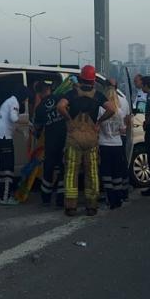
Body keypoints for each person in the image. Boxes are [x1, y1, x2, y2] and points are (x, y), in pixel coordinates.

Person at [57, 65, 115, 216]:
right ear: (94, 80)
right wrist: (99, 122)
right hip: (91, 138)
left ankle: (70, 206)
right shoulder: (99, 95)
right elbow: (112, 109)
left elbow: (61, 106)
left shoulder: (71, 93)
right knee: (92, 172)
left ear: (81, 78)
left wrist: (69, 120)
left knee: (71, 172)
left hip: (74, 137)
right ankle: (92, 206)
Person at [0, 85, 32, 205]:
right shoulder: (14, 102)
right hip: (4, 138)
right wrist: (28, 122)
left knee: (4, 168)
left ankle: (2, 195)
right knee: (8, 168)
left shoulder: (9, 101)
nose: (25, 101)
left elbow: (11, 123)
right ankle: (5, 198)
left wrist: (22, 131)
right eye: (26, 98)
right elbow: (14, 119)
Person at [33, 80, 67, 207]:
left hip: (50, 143)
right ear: (49, 89)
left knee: (48, 170)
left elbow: (37, 128)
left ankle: (46, 199)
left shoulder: (40, 108)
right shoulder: (60, 98)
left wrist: (35, 134)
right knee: (63, 170)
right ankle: (60, 199)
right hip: (64, 141)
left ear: (39, 93)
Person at [98, 82, 130, 210]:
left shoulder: (101, 109)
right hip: (117, 144)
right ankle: (118, 198)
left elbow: (97, 125)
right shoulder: (120, 111)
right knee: (117, 172)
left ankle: (110, 198)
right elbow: (123, 130)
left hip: (104, 144)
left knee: (106, 173)